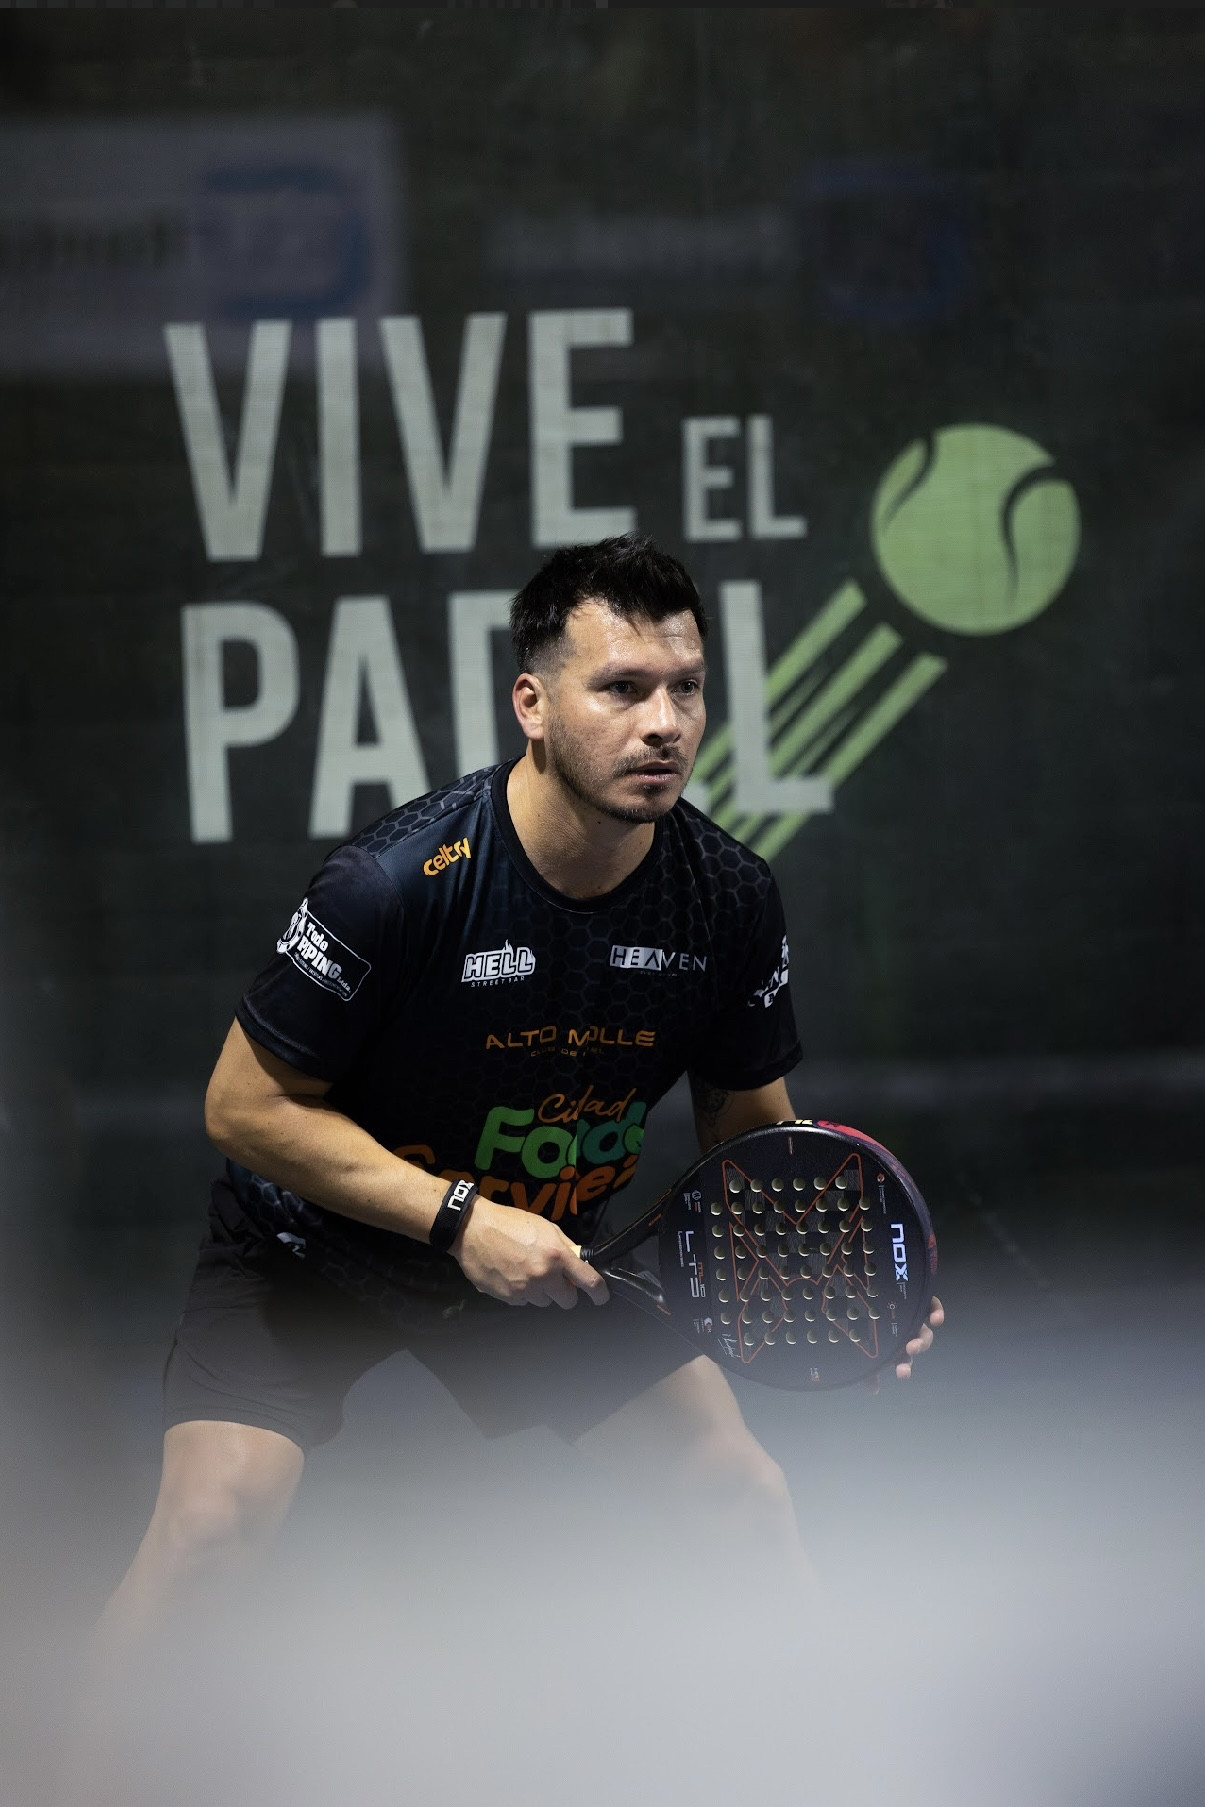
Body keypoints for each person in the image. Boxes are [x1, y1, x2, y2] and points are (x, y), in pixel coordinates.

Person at [91, 532, 942, 1674]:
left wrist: (830, 1286)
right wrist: (458, 1219)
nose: (664, 723)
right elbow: (244, 1108)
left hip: (548, 1262)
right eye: (622, 689)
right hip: (310, 1253)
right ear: (531, 705)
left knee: (740, 1498)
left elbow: (748, 1136)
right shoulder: (393, 884)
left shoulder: (728, 898)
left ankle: (842, 1752)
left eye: (686, 688)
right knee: (205, 1532)